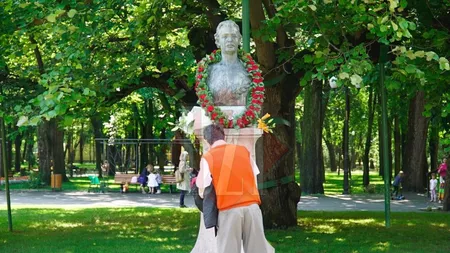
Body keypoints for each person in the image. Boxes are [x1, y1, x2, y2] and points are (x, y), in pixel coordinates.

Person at [196, 124, 274, 253]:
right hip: (252, 207)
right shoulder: (243, 151)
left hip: (229, 209)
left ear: (207, 140)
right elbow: (254, 173)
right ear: (224, 136)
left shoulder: (208, 157)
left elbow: (202, 185)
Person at [207, 20, 251, 106]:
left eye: (234, 36)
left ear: (239, 40)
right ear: (218, 41)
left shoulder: (248, 70)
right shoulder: (209, 71)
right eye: (225, 36)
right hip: (216, 116)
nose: (230, 40)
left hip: (243, 116)